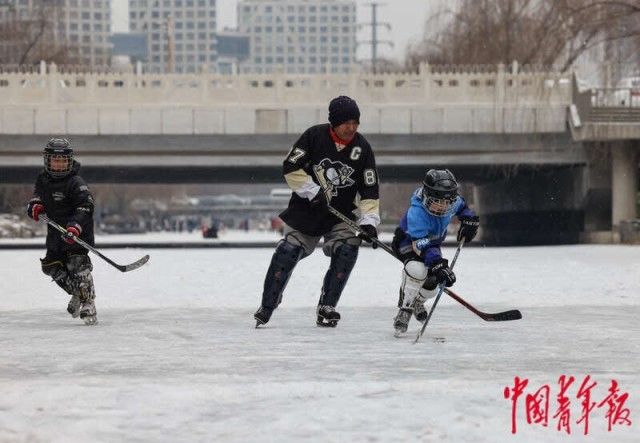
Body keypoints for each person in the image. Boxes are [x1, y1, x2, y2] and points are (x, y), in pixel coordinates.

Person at [254, 96, 380, 328]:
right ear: (333, 122)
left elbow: (370, 189)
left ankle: (327, 305)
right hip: (307, 210)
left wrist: (369, 222)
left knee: (348, 249)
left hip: (340, 214)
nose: (351, 128)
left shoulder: (363, 149)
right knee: (288, 252)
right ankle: (268, 304)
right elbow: (290, 167)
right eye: (346, 123)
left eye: (355, 122)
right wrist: (313, 192)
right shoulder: (313, 136)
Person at [391, 169, 479, 335]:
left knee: (432, 285)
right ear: (426, 196)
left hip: (432, 245)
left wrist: (470, 220)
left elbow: (463, 207)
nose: (443, 207)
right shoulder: (417, 213)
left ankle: (418, 300)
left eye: (448, 203)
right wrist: (438, 263)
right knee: (418, 270)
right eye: (437, 202)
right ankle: (405, 309)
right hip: (409, 243)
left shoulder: (451, 202)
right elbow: (421, 245)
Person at [26, 138, 98, 325]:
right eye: (55, 160)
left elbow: (86, 206)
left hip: (77, 233)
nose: (59, 164)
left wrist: (75, 226)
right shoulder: (43, 179)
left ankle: (88, 302)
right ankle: (76, 293)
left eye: (63, 160)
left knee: (77, 266)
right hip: (55, 233)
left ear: (69, 161)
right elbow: (37, 196)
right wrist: (35, 206)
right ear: (48, 161)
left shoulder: (76, 182)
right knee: (50, 266)